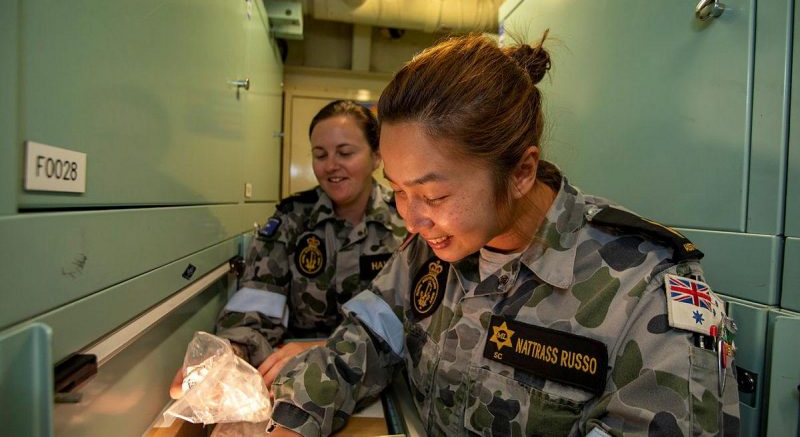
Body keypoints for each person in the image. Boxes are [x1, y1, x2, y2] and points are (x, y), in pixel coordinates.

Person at [266, 34, 741, 437]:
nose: (410, 220)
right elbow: (364, 342)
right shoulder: (427, 251)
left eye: (432, 196)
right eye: (398, 191)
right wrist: (288, 418)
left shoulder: (645, 292)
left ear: (521, 171)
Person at [169, 100, 407, 398]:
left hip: (383, 378)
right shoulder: (292, 219)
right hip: (297, 375)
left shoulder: (408, 220)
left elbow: (416, 321)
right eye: (320, 155)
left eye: (345, 153)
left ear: (376, 157)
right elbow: (259, 299)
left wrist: (327, 349)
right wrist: (231, 352)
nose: (331, 165)